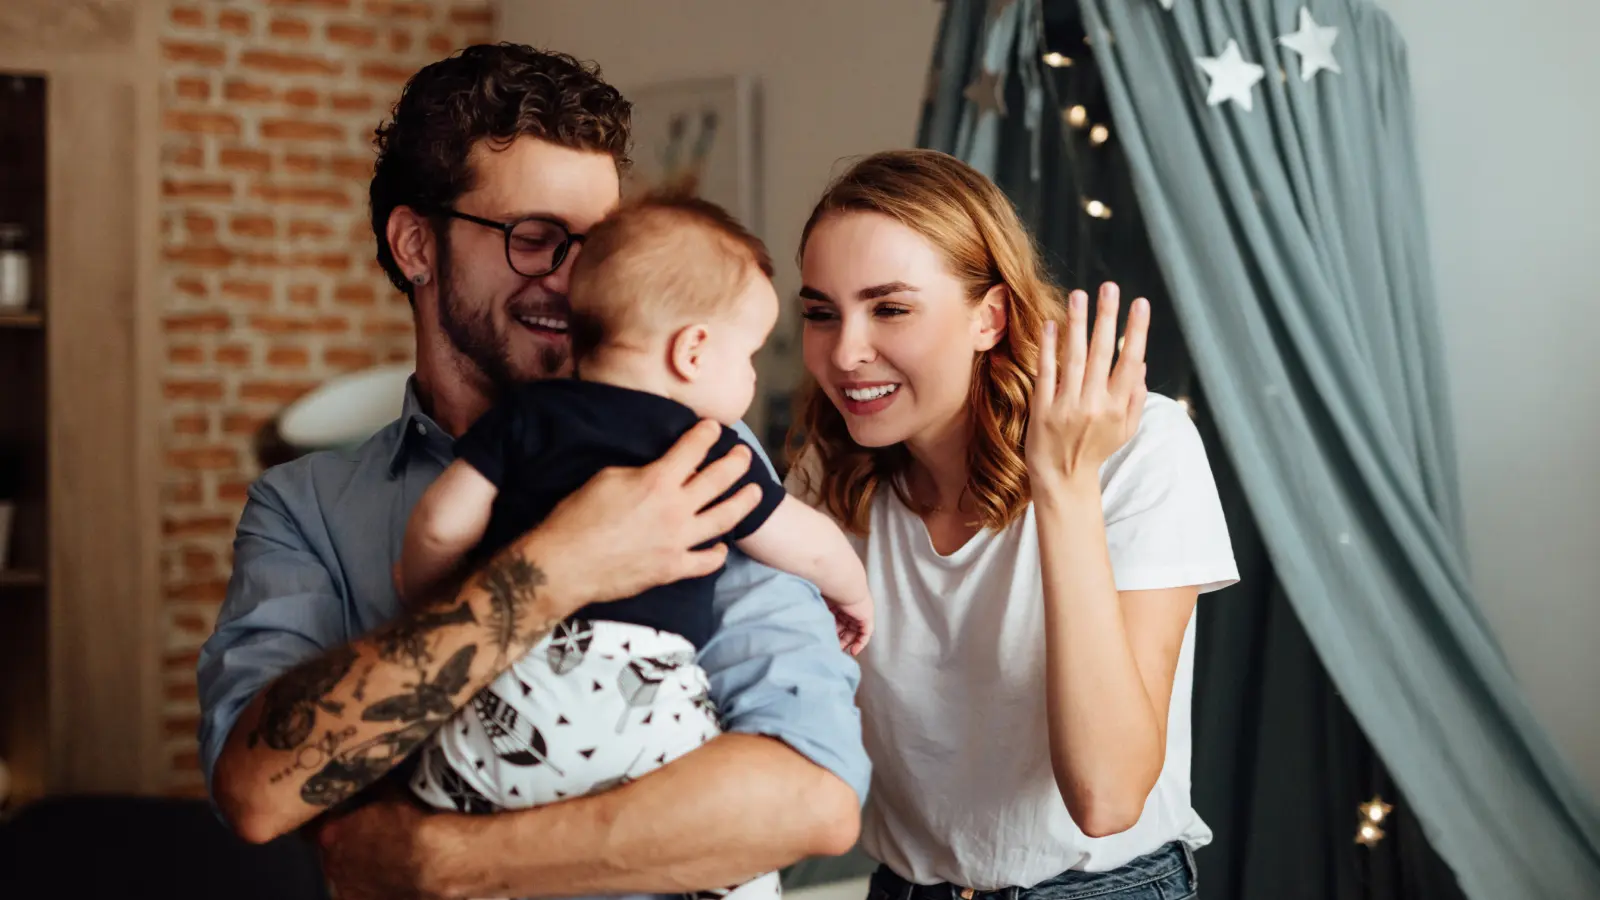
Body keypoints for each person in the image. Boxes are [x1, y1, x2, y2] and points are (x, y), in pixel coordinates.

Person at [196, 44, 868, 900]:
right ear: (415, 246)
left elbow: (810, 799)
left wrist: (445, 864)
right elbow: (258, 793)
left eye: (600, 244)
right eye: (537, 238)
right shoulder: (306, 511)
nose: (577, 278)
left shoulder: (696, 451)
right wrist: (557, 568)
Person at [785, 149, 1239, 900]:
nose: (845, 352)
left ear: (989, 318)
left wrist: (1062, 486)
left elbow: (1107, 797)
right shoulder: (826, 475)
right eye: (820, 313)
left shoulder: (1139, 446)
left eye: (890, 308)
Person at [397, 195, 876, 900]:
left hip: (513, 698)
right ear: (692, 352)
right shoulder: (704, 447)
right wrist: (853, 593)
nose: (749, 378)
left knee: (432, 797)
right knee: (736, 866)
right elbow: (807, 542)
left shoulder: (524, 418)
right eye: (744, 355)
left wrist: (429, 594)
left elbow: (439, 524)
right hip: (645, 708)